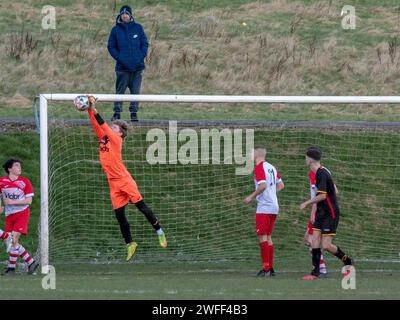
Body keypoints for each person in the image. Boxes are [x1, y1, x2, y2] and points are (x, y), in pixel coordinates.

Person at [86, 96, 167, 262]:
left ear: (120, 133)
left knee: (142, 208)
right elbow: (97, 125)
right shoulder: (104, 138)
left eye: (114, 126)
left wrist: (94, 108)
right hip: (113, 184)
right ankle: (130, 244)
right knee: (119, 216)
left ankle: (159, 231)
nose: (111, 127)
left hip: (124, 180)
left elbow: (102, 125)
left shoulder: (116, 140)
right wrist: (88, 109)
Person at [300, 147, 353, 280]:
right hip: (321, 212)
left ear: (310, 159)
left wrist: (307, 203)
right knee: (314, 240)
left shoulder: (322, 173)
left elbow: (322, 196)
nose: (305, 159)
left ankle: (348, 261)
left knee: (326, 245)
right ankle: (316, 272)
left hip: (330, 213)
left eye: (306, 157)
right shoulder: (318, 172)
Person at [244, 145, 284, 277]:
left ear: (257, 154)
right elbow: (281, 185)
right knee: (268, 237)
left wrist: (251, 196)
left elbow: (263, 185)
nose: (249, 155)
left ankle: (266, 268)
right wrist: (271, 194)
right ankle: (270, 268)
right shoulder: (271, 167)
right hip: (274, 206)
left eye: (251, 152)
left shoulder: (259, 167)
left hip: (264, 207)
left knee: (262, 237)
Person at [107, 5, 148, 122]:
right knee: (120, 91)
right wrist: (120, 58)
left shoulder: (138, 28)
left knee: (135, 92)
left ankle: (134, 113)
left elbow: (144, 44)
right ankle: (117, 113)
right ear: (120, 15)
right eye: (122, 14)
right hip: (122, 68)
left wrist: (140, 57)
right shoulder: (115, 30)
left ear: (130, 15)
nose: (125, 15)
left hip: (137, 68)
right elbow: (111, 46)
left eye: (127, 14)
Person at [0, 159, 39, 276]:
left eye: (20, 166)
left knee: (14, 240)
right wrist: (1, 206)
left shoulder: (25, 182)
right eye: (16, 166)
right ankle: (31, 262)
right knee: (12, 243)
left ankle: (11, 269)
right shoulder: (1, 182)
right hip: (9, 214)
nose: (19, 168)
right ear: (10, 169)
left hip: (22, 213)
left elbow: (29, 200)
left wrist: (11, 202)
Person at [304, 170, 327, 275]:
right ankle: (321, 268)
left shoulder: (314, 173)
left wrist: (313, 213)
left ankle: (321, 269)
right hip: (324, 210)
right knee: (310, 239)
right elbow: (335, 190)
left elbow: (317, 196)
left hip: (319, 211)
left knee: (312, 240)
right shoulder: (325, 170)